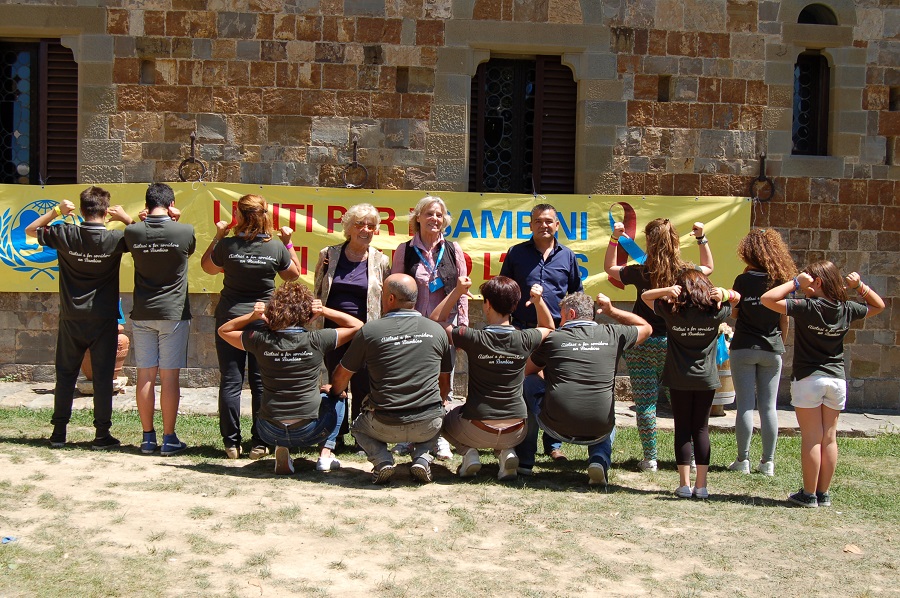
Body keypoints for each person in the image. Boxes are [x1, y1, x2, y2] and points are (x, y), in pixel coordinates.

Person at [761, 262, 884, 508]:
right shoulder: (846, 308)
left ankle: (808, 494)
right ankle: (823, 493)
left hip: (809, 379)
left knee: (811, 438)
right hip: (836, 379)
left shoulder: (806, 307)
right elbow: (878, 306)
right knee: (829, 438)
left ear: (817, 282)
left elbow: (767, 299)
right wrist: (859, 286)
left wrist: (795, 283)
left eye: (809, 278)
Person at [25, 187, 133, 449]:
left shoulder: (66, 232)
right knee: (103, 377)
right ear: (105, 211)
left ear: (83, 210)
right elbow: (144, 239)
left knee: (66, 374)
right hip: (103, 317)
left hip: (72, 316)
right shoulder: (116, 238)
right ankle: (101, 435)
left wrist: (56, 211)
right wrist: (127, 219)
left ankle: (59, 433)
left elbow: (30, 230)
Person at [217, 282, 363, 474]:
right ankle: (325, 455)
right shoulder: (317, 339)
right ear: (307, 313)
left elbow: (224, 331)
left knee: (281, 415)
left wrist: (252, 316)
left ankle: (282, 446)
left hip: (269, 430)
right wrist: (324, 311)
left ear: (273, 310)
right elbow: (357, 325)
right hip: (309, 430)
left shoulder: (260, 340)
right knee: (338, 395)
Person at [604, 218, 713, 472]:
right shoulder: (686, 272)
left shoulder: (641, 272)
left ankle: (650, 458)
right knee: (682, 404)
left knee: (645, 403)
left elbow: (609, 267)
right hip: (675, 345)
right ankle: (691, 458)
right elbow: (708, 267)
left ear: (649, 243)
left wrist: (614, 238)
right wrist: (701, 238)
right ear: (675, 241)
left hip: (641, 342)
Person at [200, 194, 301, 460]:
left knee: (231, 381)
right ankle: (260, 442)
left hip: (230, 320)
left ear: (239, 216)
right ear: (265, 215)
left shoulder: (228, 245)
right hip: (263, 320)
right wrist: (289, 243)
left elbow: (207, 268)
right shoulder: (275, 247)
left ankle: (231, 443)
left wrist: (217, 237)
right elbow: (293, 275)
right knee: (260, 381)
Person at [516, 292, 652, 485]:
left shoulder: (554, 338)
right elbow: (646, 328)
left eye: (562, 316)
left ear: (571, 314)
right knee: (604, 404)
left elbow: (527, 372)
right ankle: (599, 459)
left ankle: (525, 461)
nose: (560, 321)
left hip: (557, 425)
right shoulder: (613, 334)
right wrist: (611, 311)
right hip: (599, 427)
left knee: (527, 383)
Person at [330, 274, 452, 485]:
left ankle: (382, 460)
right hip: (427, 423)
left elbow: (342, 375)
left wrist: (334, 392)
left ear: (391, 298)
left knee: (357, 427)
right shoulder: (437, 331)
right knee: (442, 415)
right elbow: (444, 384)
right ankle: (422, 457)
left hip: (384, 423)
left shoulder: (370, 331)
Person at [430, 275, 553, 481]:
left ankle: (469, 453)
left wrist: (457, 292)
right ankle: (506, 453)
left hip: (477, 429)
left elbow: (435, 321)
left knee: (443, 413)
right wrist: (539, 302)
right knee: (503, 431)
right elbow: (548, 328)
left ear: (487, 304)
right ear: (515, 306)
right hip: (516, 431)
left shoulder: (473, 337)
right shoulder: (525, 338)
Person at [642, 270, 738, 498]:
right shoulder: (716, 312)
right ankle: (702, 486)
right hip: (706, 379)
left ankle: (684, 485)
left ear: (681, 290)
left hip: (679, 378)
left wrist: (666, 290)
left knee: (683, 428)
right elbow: (737, 298)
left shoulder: (671, 311)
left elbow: (646, 296)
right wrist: (724, 293)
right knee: (701, 428)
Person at [500, 204, 584, 461]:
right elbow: (504, 291)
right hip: (523, 331)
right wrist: (507, 326)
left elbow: (576, 295)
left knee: (552, 387)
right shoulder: (516, 253)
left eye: (548, 221)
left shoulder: (567, 256)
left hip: (557, 334)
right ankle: (520, 442)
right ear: (530, 225)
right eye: (538, 221)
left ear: (557, 225)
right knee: (521, 387)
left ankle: (553, 444)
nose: (543, 225)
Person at [391, 195, 467, 460]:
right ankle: (407, 436)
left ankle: (440, 437)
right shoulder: (404, 250)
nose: (435, 218)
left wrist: (462, 326)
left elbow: (462, 291)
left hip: (445, 328)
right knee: (410, 382)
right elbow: (394, 289)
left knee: (444, 383)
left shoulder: (454, 249)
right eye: (429, 213)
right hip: (411, 326)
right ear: (418, 218)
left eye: (439, 214)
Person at [124, 183, 196, 456]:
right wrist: (176, 222)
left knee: (145, 375)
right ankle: (169, 438)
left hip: (143, 311)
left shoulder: (133, 231)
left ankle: (147, 438)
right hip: (173, 313)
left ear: (147, 204)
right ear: (171, 204)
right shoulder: (184, 230)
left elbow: (137, 237)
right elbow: (187, 250)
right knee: (169, 377)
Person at [314, 203, 390, 451]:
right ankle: (334, 434)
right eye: (359, 224)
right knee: (336, 382)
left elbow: (384, 300)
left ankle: (361, 435)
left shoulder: (381, 260)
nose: (365, 230)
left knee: (363, 384)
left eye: (370, 225)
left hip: (366, 332)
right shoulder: (329, 254)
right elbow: (318, 290)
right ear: (348, 227)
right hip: (333, 332)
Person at [726, 229, 796, 477]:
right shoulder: (781, 281)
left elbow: (735, 314)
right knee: (768, 407)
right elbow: (785, 320)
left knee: (745, 405)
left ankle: (742, 460)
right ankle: (768, 462)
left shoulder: (742, 281)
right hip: (771, 347)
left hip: (744, 345)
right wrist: (779, 344)